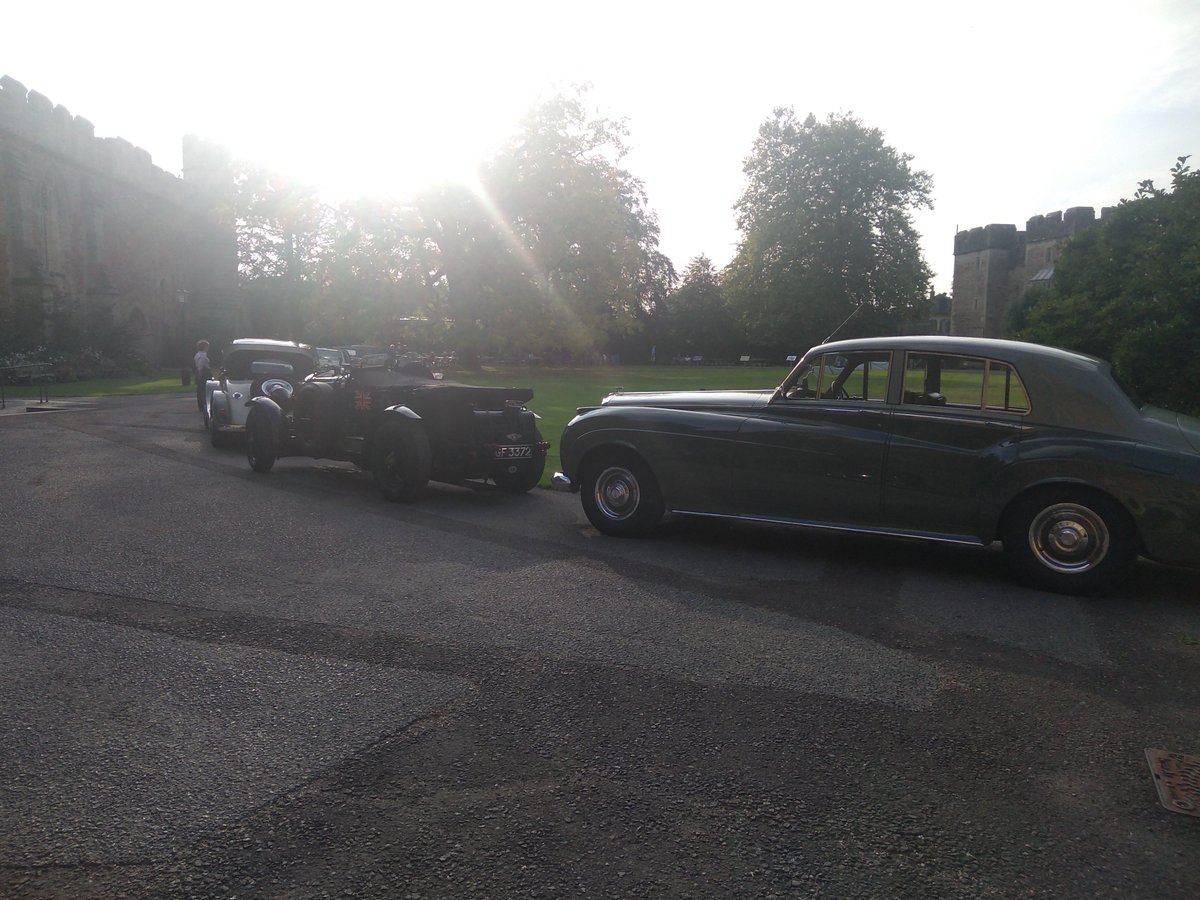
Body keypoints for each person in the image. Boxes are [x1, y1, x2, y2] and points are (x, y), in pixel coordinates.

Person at [193, 340, 211, 413]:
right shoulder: (202, 355)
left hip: (201, 372)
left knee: (200, 390)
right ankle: (203, 405)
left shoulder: (198, 354)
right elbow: (201, 366)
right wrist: (201, 374)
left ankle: (202, 405)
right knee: (204, 390)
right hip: (204, 373)